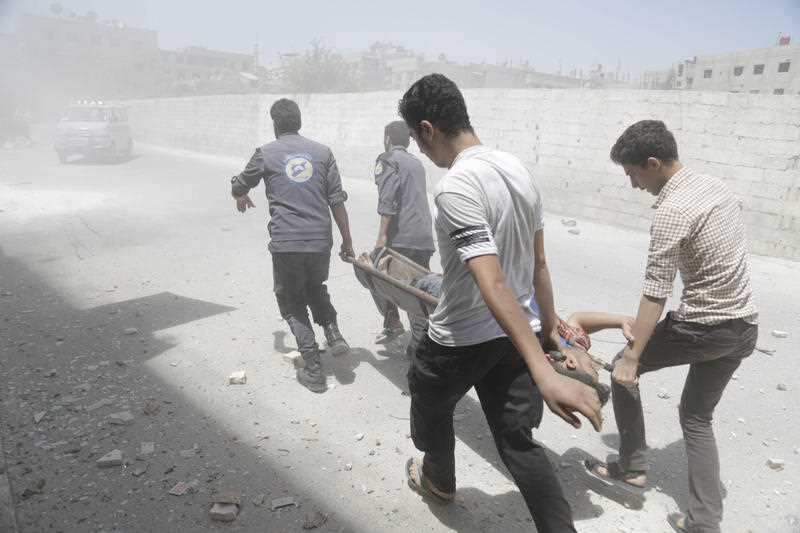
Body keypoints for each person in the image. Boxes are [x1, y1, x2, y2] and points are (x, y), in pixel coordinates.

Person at [398, 74, 602, 532]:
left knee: (429, 403)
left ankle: (438, 479)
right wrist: (547, 329)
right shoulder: (518, 170)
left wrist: (545, 369)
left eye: (416, 138)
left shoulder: (455, 187)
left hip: (458, 339)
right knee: (517, 442)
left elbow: (492, 283)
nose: (419, 149)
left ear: (428, 129)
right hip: (516, 334)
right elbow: (540, 263)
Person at [584, 120, 758, 533]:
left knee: (622, 369)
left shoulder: (672, 210)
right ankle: (703, 521)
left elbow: (655, 292)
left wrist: (633, 356)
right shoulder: (714, 186)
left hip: (703, 327)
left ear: (652, 162)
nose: (633, 185)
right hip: (744, 327)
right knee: (697, 417)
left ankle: (631, 467)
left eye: (633, 174)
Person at [230, 98, 355, 394]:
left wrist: (239, 192)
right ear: (299, 122)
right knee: (315, 286)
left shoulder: (265, 153)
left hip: (287, 242)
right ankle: (333, 331)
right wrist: (347, 241)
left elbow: (239, 185)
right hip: (319, 240)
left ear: (275, 124)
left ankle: (313, 369)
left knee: (293, 302)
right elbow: (336, 200)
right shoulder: (323, 153)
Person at [372, 120, 436, 344]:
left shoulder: (387, 159)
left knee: (376, 274)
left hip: (403, 236)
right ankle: (417, 339)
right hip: (424, 237)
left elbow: (388, 198)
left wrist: (382, 237)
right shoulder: (416, 162)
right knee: (418, 288)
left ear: (387, 139)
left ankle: (396, 325)